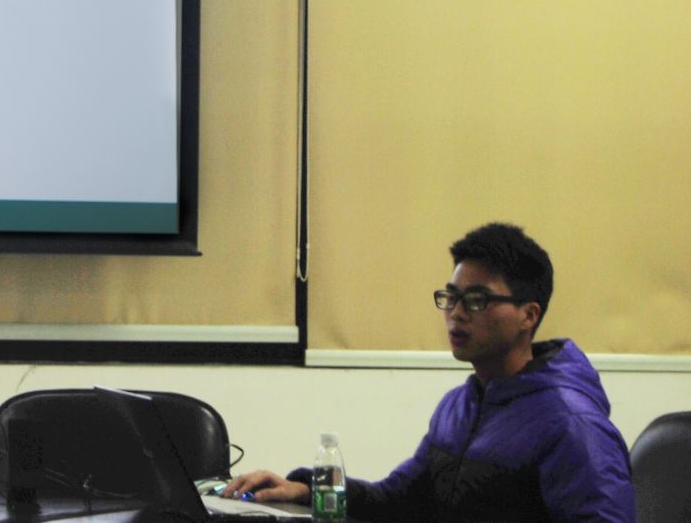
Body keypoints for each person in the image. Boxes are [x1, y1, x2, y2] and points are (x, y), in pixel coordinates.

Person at [221, 222, 634, 523]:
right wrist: (309, 490)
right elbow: (399, 501)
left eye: (476, 300)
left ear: (528, 315)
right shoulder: (459, 406)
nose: (456, 313)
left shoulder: (570, 423)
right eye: (451, 298)